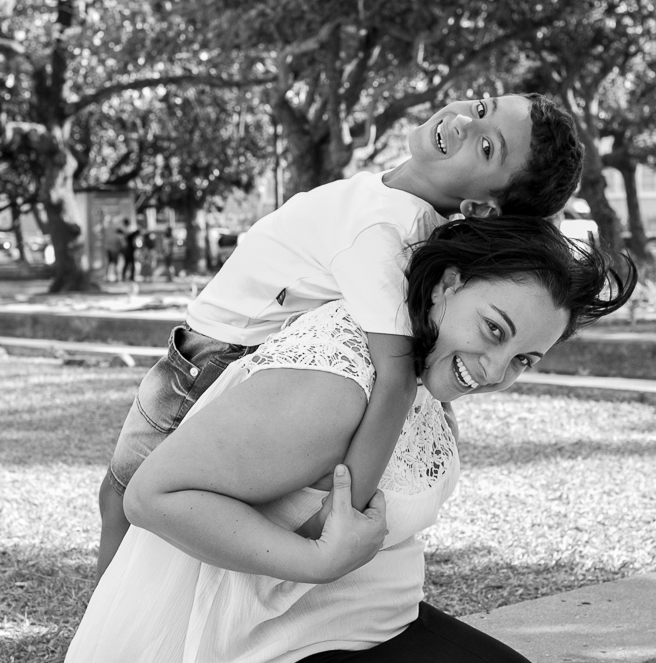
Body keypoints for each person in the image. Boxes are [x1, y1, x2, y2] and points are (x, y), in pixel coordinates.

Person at [67, 216, 636, 662]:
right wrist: (316, 560)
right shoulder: (336, 383)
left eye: (523, 360)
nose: (494, 370)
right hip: (270, 647)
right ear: (446, 286)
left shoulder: (414, 368)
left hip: (363, 629)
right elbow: (153, 496)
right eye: (494, 331)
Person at [96, 93, 585, 577]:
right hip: (219, 344)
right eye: (480, 108)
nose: (463, 124)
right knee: (130, 504)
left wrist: (344, 514)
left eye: (486, 149)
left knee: (122, 494)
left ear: (480, 208)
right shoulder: (404, 198)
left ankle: (100, 638)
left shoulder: (386, 229)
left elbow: (396, 376)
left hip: (209, 358)